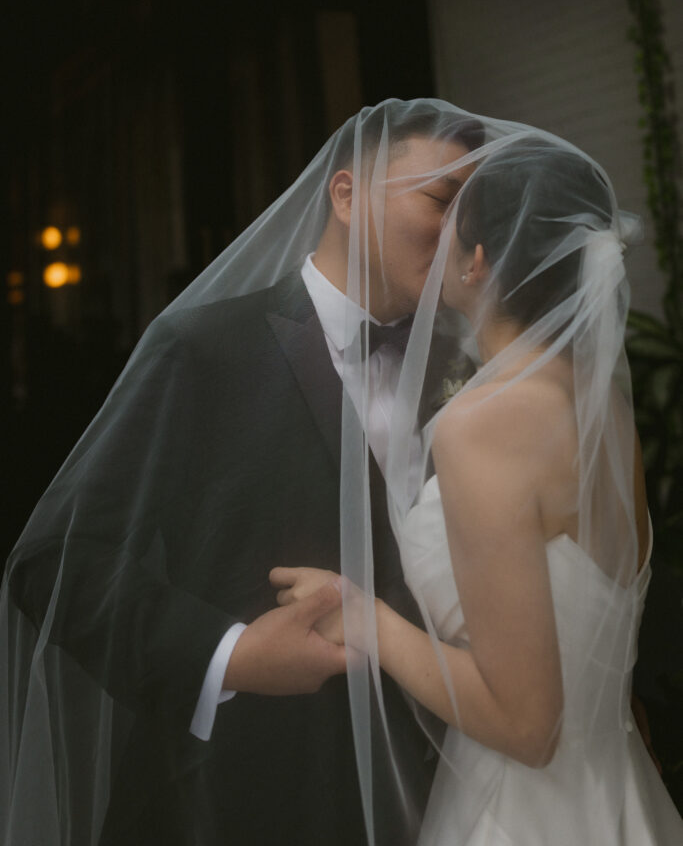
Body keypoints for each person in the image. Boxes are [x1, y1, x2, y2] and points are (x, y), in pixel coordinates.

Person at [0, 100, 483, 846]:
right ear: (347, 195)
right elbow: (58, 559)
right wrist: (229, 654)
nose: (464, 235)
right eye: (442, 202)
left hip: (450, 784)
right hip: (246, 797)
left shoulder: (469, 370)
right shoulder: (204, 351)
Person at [275, 131, 683, 843]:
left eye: (451, 222)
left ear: (476, 260)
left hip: (522, 811)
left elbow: (527, 727)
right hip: (619, 789)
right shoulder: (599, 404)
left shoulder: (485, 422)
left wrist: (365, 620)